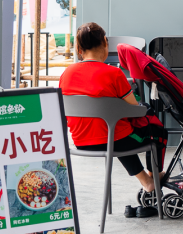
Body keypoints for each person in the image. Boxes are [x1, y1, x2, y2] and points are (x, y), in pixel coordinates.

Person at [59, 23, 167, 214]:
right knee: (157, 133)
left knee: (117, 132)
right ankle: (155, 179)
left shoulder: (66, 74)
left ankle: (146, 181)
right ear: (105, 43)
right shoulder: (114, 73)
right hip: (115, 140)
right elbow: (135, 110)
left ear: (79, 48)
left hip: (81, 142)